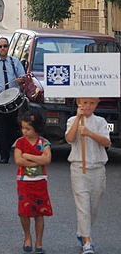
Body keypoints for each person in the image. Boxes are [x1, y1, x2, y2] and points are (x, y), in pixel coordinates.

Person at [65, 98, 110, 254]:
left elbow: (106, 142)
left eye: (91, 103)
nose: (88, 106)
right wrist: (78, 118)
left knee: (93, 207)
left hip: (98, 167)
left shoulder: (101, 121)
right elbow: (70, 139)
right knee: (83, 205)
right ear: (79, 103)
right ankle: (87, 241)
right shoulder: (72, 120)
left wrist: (89, 133)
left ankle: (82, 231)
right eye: (85, 102)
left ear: (96, 105)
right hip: (79, 167)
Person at [13, 110, 53, 254]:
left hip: (40, 182)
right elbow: (18, 160)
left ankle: (39, 241)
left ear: (37, 128)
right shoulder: (19, 142)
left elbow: (47, 160)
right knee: (24, 211)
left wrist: (28, 157)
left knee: (39, 212)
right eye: (23, 128)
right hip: (24, 181)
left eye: (28, 128)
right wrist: (37, 161)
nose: (25, 131)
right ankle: (27, 236)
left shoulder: (44, 142)